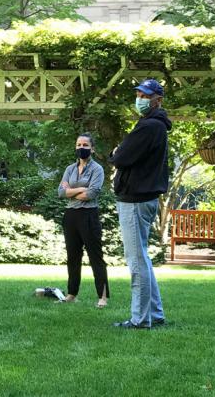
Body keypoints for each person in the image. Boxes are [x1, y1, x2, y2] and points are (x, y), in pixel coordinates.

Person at [109, 78, 171, 329]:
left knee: (136, 262)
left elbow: (121, 157)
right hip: (143, 199)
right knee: (142, 259)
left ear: (158, 100)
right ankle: (155, 315)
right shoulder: (154, 125)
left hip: (135, 200)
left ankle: (139, 319)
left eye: (145, 96)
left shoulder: (148, 127)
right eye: (139, 94)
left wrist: (116, 153)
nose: (140, 99)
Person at [58, 133, 109, 308]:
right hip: (70, 215)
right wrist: (81, 188)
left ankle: (102, 297)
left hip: (89, 215)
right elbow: (60, 192)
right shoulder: (70, 169)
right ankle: (72, 293)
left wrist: (71, 190)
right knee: (72, 256)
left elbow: (92, 193)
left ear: (92, 149)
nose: (82, 148)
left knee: (95, 256)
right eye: (79, 144)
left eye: (85, 145)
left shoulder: (97, 169)